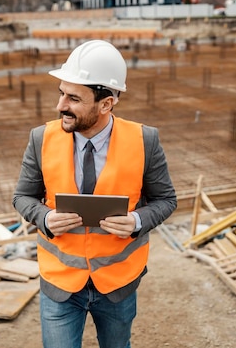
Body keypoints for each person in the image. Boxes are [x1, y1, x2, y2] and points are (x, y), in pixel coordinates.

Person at [12, 39, 177, 348]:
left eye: (73, 98)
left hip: (117, 285)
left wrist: (137, 221)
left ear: (106, 104)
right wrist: (45, 217)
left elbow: (166, 200)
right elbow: (22, 197)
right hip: (59, 284)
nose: (60, 106)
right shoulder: (41, 138)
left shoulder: (145, 141)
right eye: (61, 93)